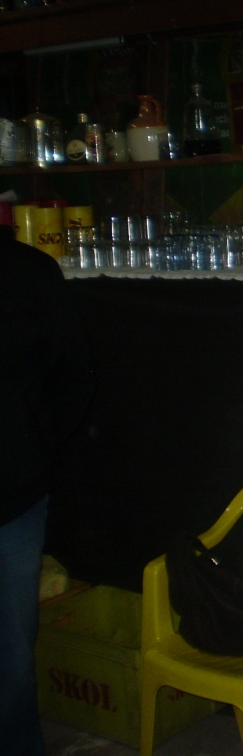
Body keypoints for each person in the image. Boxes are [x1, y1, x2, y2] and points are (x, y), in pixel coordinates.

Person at [0, 217, 93, 756]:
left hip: (12, 497)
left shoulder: (27, 271)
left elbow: (73, 373)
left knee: (12, 654)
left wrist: (34, 448)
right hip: (18, 485)